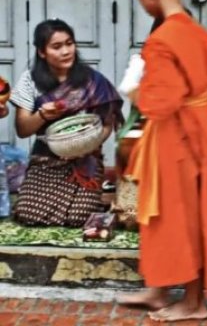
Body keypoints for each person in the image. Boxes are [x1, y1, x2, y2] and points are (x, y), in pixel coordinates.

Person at [117, 0, 207, 322]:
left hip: (175, 135)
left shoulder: (163, 40)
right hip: (200, 129)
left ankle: (194, 303)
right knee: (175, 213)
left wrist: (134, 90)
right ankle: (159, 289)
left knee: (178, 216)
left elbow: (160, 102)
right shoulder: (200, 34)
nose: (142, 5)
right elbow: (203, 90)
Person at [10, 19, 123, 226]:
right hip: (46, 160)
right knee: (29, 215)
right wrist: (42, 115)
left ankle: (94, 200)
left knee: (78, 218)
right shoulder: (29, 80)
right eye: (57, 46)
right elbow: (22, 129)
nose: (66, 51)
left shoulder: (93, 80)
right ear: (42, 52)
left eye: (69, 43)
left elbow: (107, 125)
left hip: (84, 162)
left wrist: (88, 145)